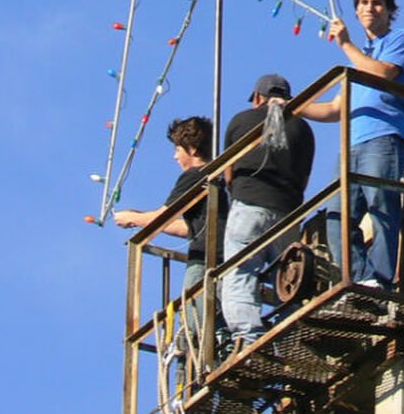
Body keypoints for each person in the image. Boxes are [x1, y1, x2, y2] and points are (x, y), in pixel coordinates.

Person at [299, 0, 404, 290]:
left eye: (377, 3)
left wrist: (346, 45)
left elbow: (384, 73)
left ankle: (380, 281)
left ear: (389, 10)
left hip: (383, 136)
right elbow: (335, 109)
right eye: (364, 2)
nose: (370, 8)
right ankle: (361, 279)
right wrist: (294, 107)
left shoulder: (400, 39)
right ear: (356, 10)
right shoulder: (358, 61)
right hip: (350, 143)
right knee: (337, 217)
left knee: (381, 207)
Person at [221, 74, 315, 345]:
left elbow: (228, 173)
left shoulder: (241, 120)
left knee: (240, 273)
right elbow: (304, 177)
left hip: (249, 205)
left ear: (258, 98)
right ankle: (291, 338)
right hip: (288, 214)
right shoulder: (303, 129)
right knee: (287, 278)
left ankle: (248, 337)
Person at [113, 116, 228, 320]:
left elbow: (163, 217)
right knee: (212, 315)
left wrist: (131, 218)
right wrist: (141, 217)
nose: (175, 157)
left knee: (196, 315)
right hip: (221, 253)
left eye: (177, 149)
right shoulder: (215, 177)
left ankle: (214, 334)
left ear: (192, 150)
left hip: (205, 258)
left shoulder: (194, 175)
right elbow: (188, 227)